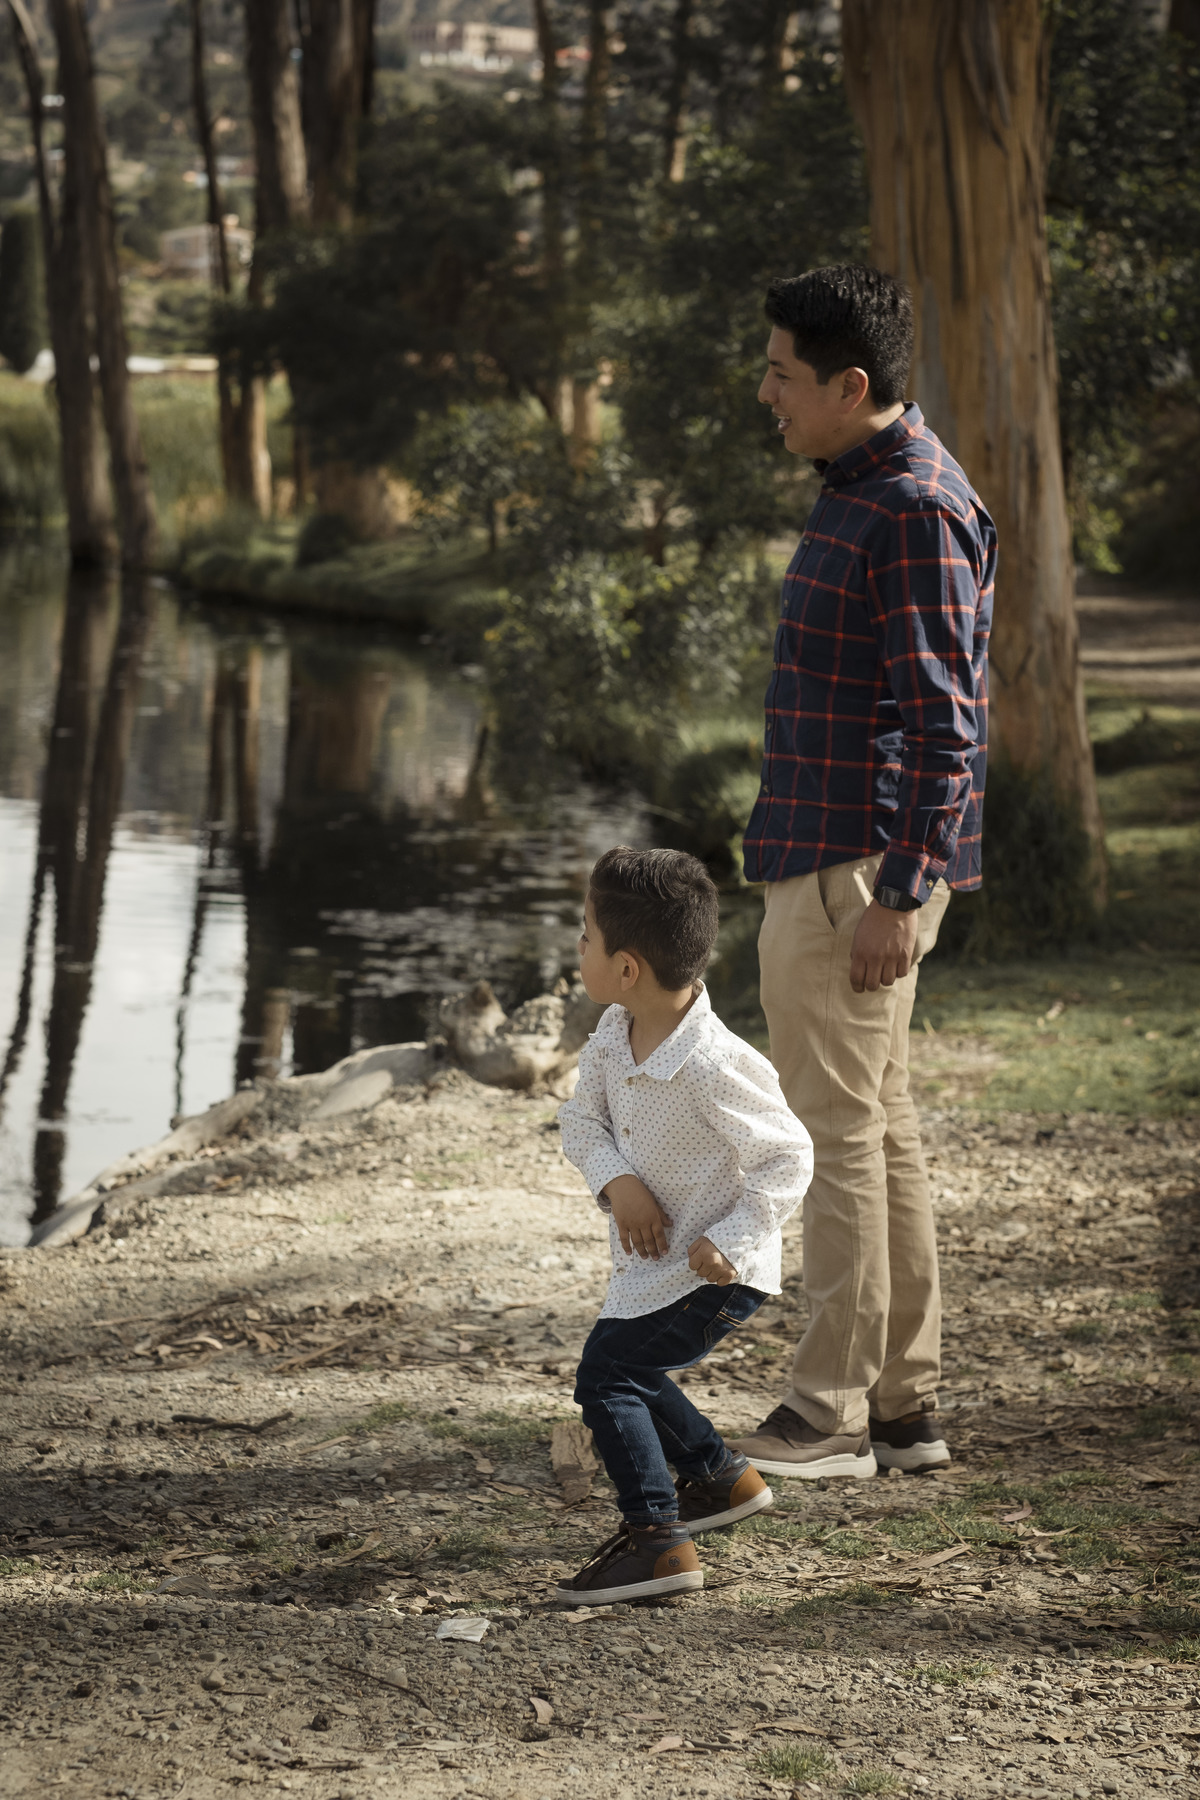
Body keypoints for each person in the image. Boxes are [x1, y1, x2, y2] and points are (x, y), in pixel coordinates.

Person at [729, 265, 995, 1482]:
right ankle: (901, 1408)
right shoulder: (864, 491)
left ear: (850, 385)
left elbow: (946, 725)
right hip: (834, 855)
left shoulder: (914, 508)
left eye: (782, 373)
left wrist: (899, 892)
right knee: (877, 1133)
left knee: (833, 1137)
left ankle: (825, 1413)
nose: (766, 392)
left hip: (854, 871)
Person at [555, 846, 814, 1605]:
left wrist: (731, 1239)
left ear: (626, 967)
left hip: (716, 1272)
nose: (577, 947)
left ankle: (658, 1543)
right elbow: (580, 1120)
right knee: (627, 1370)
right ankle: (723, 1480)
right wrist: (619, 1181)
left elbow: (790, 1155)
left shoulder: (713, 1063)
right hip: (652, 1269)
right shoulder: (614, 1032)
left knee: (608, 1376)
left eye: (585, 936)